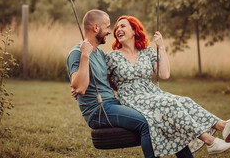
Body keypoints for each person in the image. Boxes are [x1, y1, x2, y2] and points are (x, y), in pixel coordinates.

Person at [105, 15, 230, 157]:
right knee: (170, 102)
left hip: (152, 93)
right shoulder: (112, 57)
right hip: (132, 98)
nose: (118, 29)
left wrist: (161, 47)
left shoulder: (147, 52)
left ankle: (223, 125)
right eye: (117, 28)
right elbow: (107, 81)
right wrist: (121, 86)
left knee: (185, 101)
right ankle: (210, 141)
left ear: (135, 31)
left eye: (123, 26)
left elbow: (165, 74)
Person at [67, 9, 195, 158]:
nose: (110, 32)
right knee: (148, 123)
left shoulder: (100, 53)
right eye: (108, 27)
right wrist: (84, 56)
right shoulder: (77, 53)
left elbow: (104, 82)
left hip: (113, 103)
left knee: (162, 114)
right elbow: (81, 87)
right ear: (96, 28)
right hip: (98, 110)